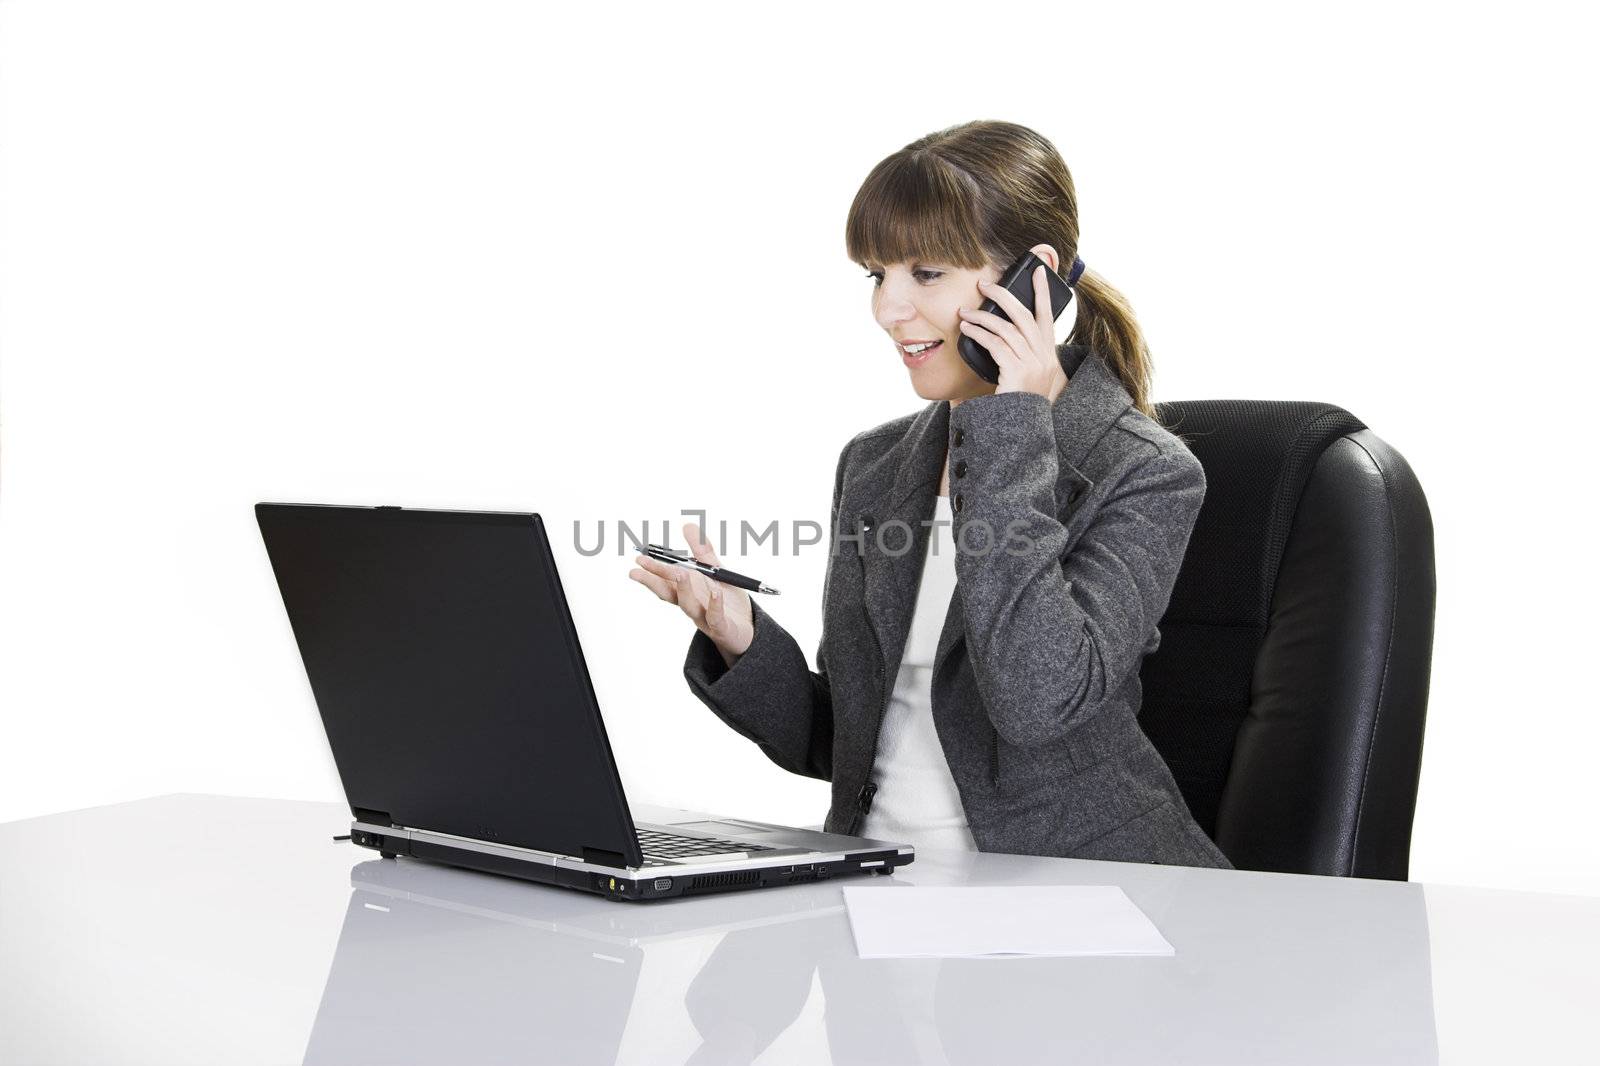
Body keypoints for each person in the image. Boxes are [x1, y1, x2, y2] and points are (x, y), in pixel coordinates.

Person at [629, 120, 1231, 869]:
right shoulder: (877, 464)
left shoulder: (1144, 472)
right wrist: (739, 635)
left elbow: (1037, 701)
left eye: (927, 273)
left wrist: (1015, 427)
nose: (888, 309)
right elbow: (847, 747)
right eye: (877, 274)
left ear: (1035, 281)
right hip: (879, 883)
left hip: (1070, 893)